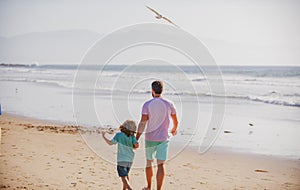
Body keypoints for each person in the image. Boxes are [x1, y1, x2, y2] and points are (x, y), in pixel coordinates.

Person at [136, 80, 178, 190]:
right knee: (161, 164)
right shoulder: (169, 104)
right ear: (162, 90)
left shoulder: (147, 104)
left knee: (149, 162)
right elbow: (175, 120)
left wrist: (136, 138)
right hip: (163, 138)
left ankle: (149, 187)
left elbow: (142, 123)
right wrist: (174, 129)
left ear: (152, 90)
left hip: (150, 138)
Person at [102, 120, 139, 190]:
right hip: (130, 159)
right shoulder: (132, 137)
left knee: (123, 177)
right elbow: (136, 146)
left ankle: (130, 188)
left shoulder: (119, 135)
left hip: (121, 159)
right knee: (126, 175)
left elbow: (110, 143)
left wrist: (104, 137)